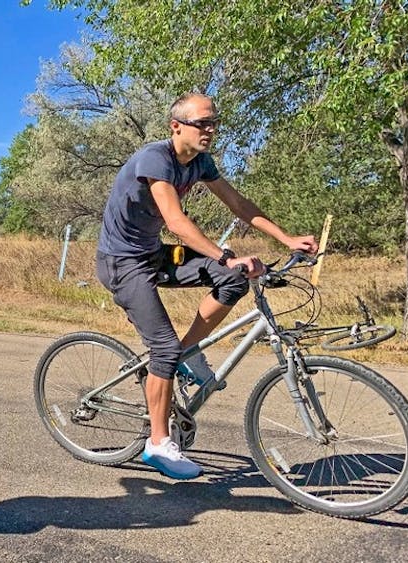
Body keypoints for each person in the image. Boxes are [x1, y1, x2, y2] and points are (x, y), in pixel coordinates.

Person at [95, 93, 317, 480]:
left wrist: (286, 239)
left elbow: (239, 204)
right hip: (121, 262)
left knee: (232, 281)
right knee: (162, 346)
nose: (211, 130)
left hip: (153, 254)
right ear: (176, 126)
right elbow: (176, 221)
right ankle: (157, 443)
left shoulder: (200, 163)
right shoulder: (155, 158)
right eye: (203, 123)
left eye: (214, 123)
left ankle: (188, 353)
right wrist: (226, 255)